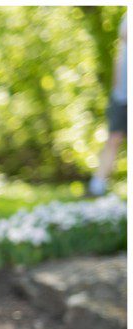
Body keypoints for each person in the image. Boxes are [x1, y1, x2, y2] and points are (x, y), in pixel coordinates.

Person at [88, 11, 127, 198]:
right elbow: (121, 50)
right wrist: (116, 87)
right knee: (113, 139)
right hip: (121, 94)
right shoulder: (128, 17)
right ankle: (96, 187)